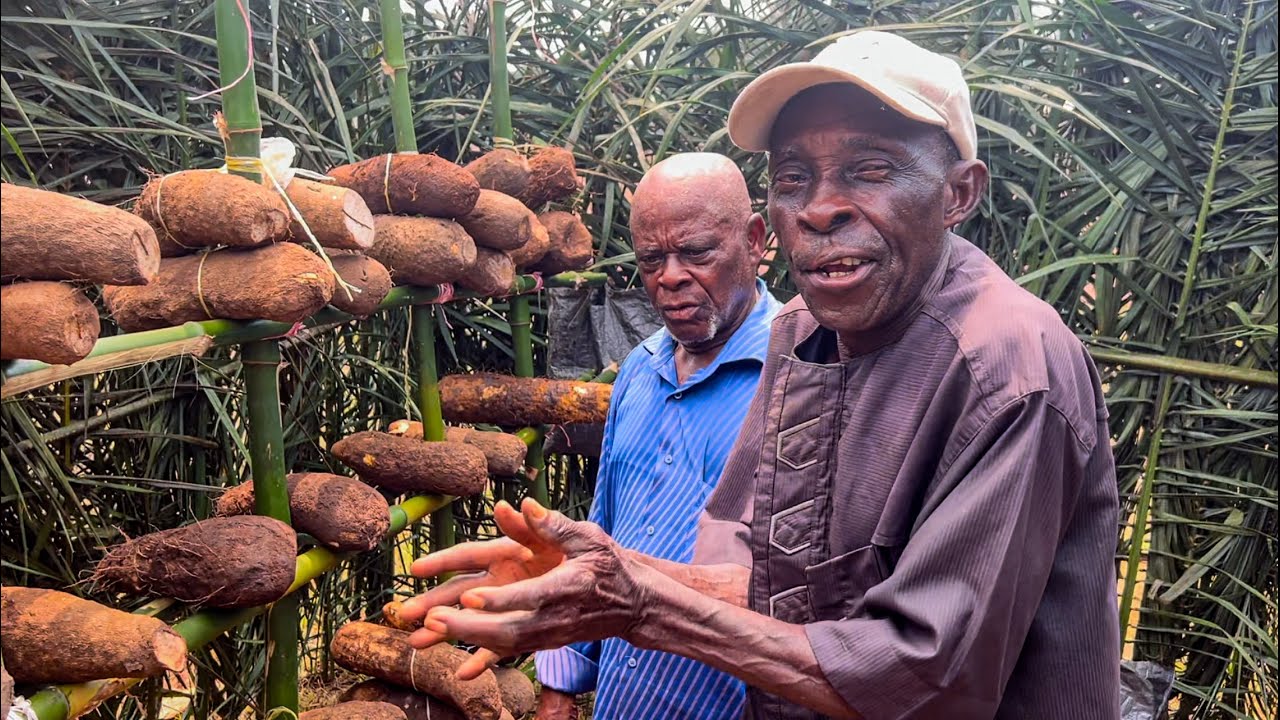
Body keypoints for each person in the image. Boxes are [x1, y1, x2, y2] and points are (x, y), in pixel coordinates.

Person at [401, 30, 1121, 720]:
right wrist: (605, 573)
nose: (819, 208)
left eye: (870, 170)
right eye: (793, 179)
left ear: (958, 193)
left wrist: (640, 603)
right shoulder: (804, 335)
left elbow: (925, 678)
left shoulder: (1009, 370)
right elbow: (778, 586)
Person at [535, 153, 781, 720]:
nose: (670, 276)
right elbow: (601, 531)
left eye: (696, 252)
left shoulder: (804, 379)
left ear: (755, 240)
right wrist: (560, 688)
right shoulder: (639, 372)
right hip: (625, 701)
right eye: (651, 259)